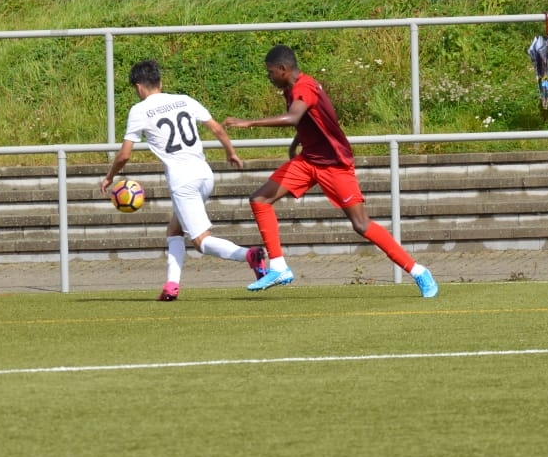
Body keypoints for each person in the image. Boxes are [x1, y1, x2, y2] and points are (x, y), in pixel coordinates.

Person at [224, 45, 438, 297]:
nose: (268, 76)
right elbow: (312, 119)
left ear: (283, 69)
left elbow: (293, 118)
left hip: (335, 165)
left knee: (361, 224)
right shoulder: (292, 88)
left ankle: (419, 271)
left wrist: (248, 122)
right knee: (260, 199)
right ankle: (279, 267)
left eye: (270, 72)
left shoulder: (304, 87)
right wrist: (296, 143)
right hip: (309, 160)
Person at [101, 59, 268, 301]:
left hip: (183, 181)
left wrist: (110, 177)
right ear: (160, 82)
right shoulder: (184, 100)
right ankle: (171, 285)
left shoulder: (139, 110)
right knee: (174, 230)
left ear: (138, 87)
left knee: (201, 242)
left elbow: (125, 155)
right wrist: (231, 152)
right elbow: (217, 128)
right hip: (204, 174)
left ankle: (249, 255)